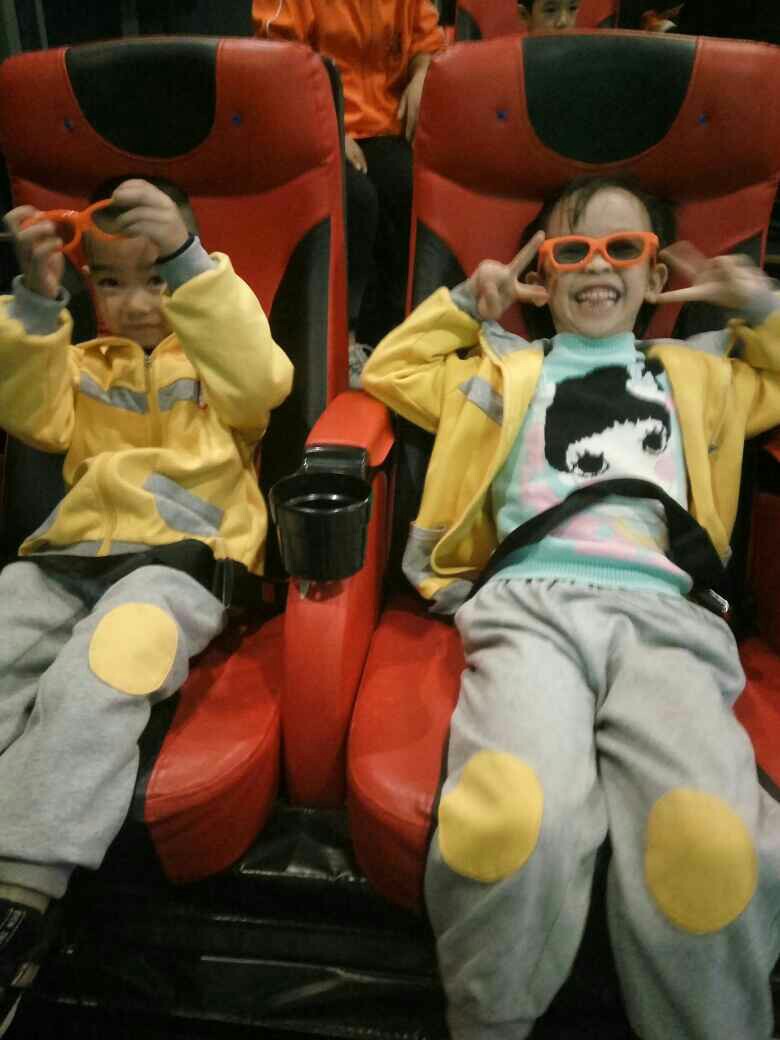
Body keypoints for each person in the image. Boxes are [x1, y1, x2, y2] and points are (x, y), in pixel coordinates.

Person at [361, 174, 780, 1039]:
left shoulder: (702, 376)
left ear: (655, 276)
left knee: (709, 845)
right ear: (543, 276)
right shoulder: (501, 370)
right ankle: (489, 1021)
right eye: (571, 251)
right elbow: (392, 371)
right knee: (515, 821)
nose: (597, 267)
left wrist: (759, 306)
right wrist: (467, 304)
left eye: (623, 250)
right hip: (528, 604)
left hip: (668, 615)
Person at [0, 177, 293, 1033]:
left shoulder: (216, 365)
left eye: (155, 279)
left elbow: (264, 380)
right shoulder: (82, 363)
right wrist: (37, 301)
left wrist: (189, 264)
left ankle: (21, 893)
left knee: (106, 662)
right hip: (68, 558)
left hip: (180, 565)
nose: (135, 303)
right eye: (111, 282)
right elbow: (28, 415)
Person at [252, 0, 446, 377]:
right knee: (356, 199)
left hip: (384, 123)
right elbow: (279, 62)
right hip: (312, 120)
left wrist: (423, 72)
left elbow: (427, 40)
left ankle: (392, 341)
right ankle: (343, 342)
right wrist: (330, 126)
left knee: (408, 189)